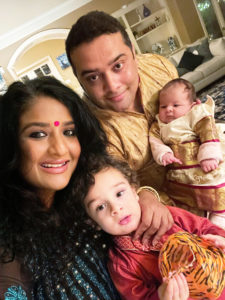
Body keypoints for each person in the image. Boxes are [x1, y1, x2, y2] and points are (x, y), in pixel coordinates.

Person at [0, 76, 121, 299]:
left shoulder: (87, 188)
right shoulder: (9, 237)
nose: (60, 150)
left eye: (68, 132)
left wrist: (147, 196)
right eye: (38, 134)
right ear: (10, 144)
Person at [65, 10, 178, 243]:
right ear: (79, 80)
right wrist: (147, 194)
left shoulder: (160, 67)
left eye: (118, 66)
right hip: (175, 213)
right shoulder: (92, 136)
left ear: (134, 53)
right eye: (93, 78)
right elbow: (117, 194)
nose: (112, 86)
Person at [79, 155, 225, 300]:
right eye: (101, 207)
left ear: (134, 191)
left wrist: (219, 239)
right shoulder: (121, 265)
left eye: (119, 193)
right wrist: (161, 296)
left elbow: (204, 227)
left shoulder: (167, 215)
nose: (116, 208)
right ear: (93, 222)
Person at [149, 78, 225, 225]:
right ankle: (202, 220)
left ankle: (220, 216)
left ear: (192, 105)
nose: (169, 109)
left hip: (203, 164)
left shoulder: (194, 114)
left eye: (176, 105)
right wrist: (164, 153)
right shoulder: (159, 125)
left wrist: (208, 154)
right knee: (188, 201)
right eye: (163, 106)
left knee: (217, 190)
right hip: (182, 174)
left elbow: (207, 131)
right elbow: (154, 141)